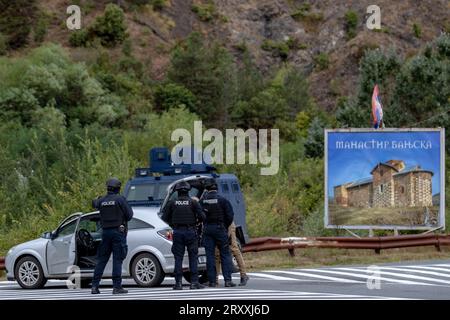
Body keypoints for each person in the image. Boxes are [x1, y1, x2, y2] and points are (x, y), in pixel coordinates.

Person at [91, 177, 133, 295]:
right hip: (118, 233)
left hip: (105, 233)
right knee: (117, 260)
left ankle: (94, 286)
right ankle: (117, 287)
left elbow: (94, 203)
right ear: (118, 188)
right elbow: (129, 215)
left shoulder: (102, 200)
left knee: (102, 260)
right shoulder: (120, 199)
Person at [161, 181, 206, 290]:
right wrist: (196, 222)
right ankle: (194, 283)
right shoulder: (193, 203)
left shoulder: (172, 203)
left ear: (177, 191)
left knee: (178, 258)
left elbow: (164, 218)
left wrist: (174, 224)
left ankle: (178, 283)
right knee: (193, 257)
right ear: (188, 191)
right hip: (191, 232)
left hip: (177, 232)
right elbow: (203, 216)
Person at [200, 178, 236, 287]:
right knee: (225, 254)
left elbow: (199, 215)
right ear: (216, 187)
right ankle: (228, 281)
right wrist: (224, 226)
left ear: (206, 188)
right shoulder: (223, 200)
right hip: (220, 229)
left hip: (207, 230)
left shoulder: (202, 201)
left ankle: (212, 281)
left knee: (210, 256)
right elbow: (230, 216)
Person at [215, 221, 249, 286]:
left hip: (228, 224)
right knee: (217, 253)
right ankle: (215, 279)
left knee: (234, 249)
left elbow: (229, 214)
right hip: (218, 225)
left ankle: (243, 275)